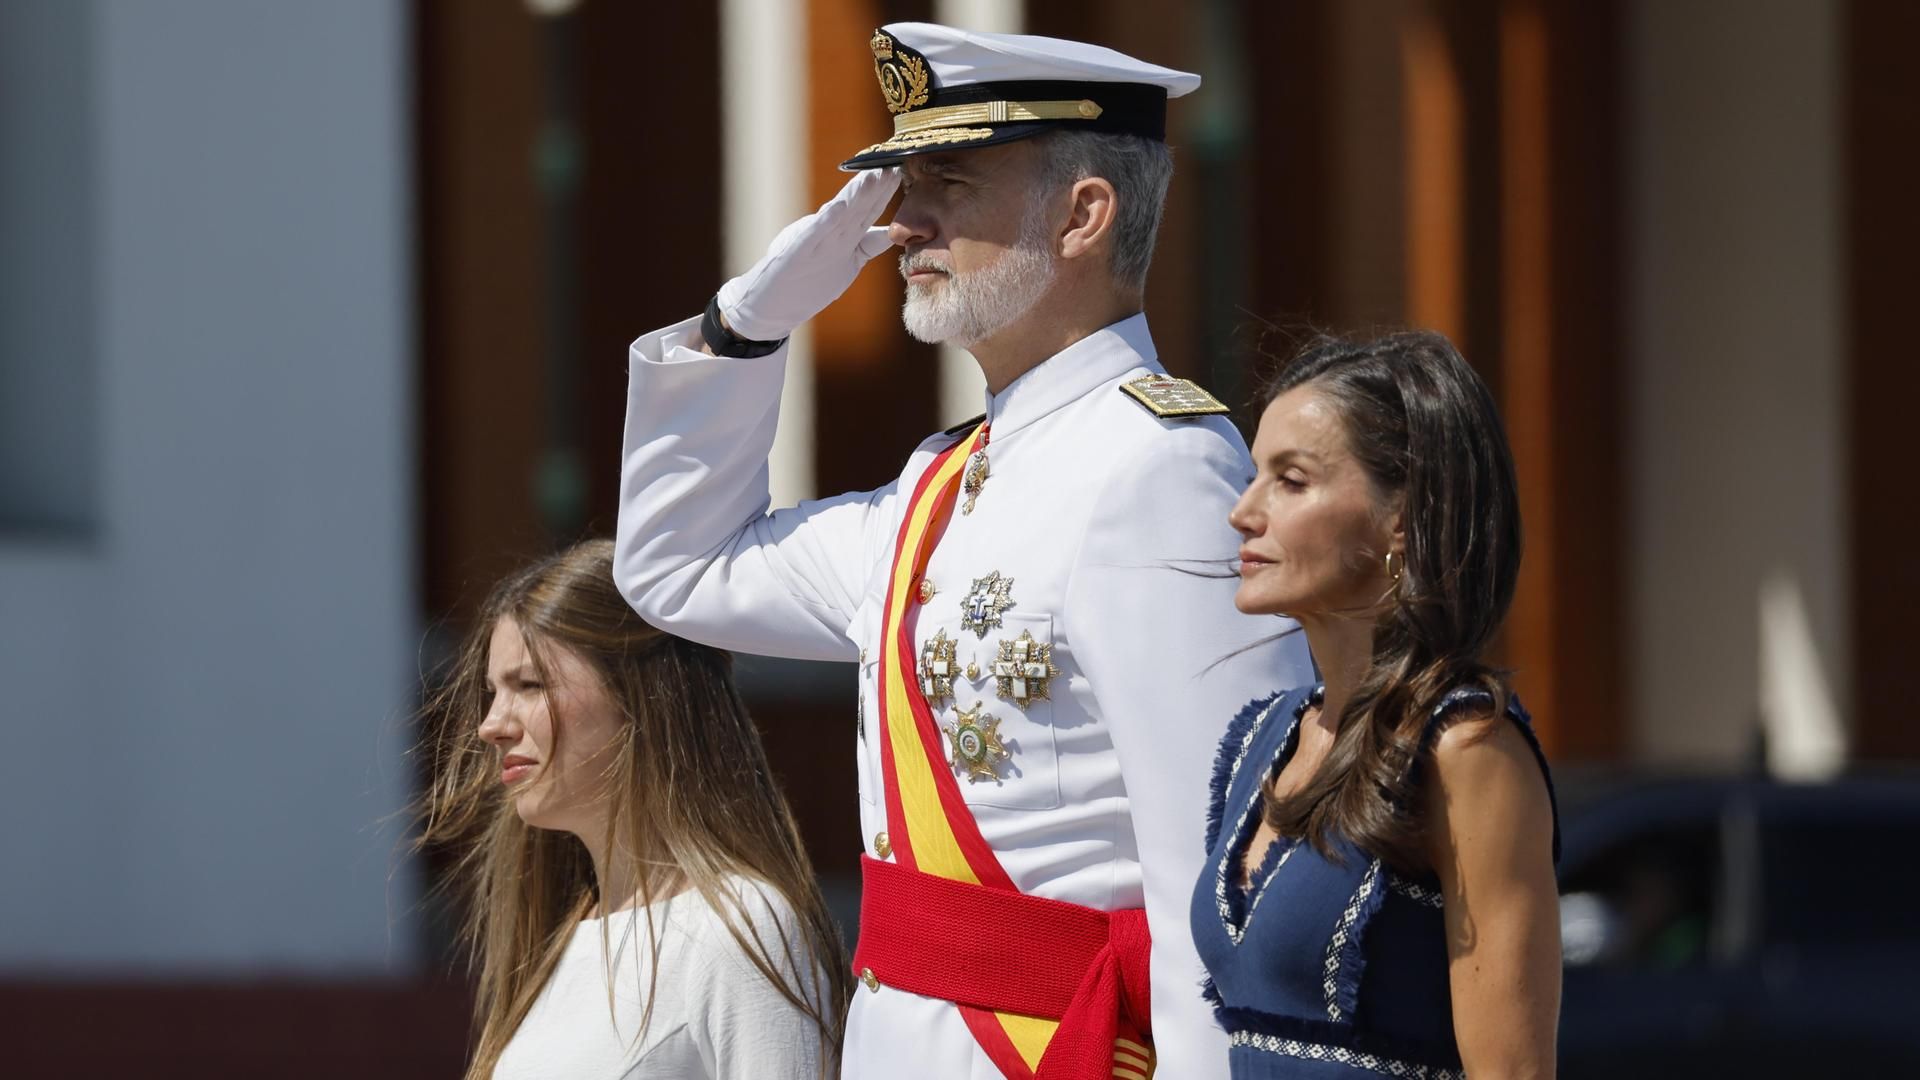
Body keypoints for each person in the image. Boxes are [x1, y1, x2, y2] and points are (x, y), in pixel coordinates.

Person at [615, 21, 1313, 1080]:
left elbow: (1221, 876)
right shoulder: (939, 484)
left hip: (1053, 1052)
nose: (908, 219)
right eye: (908, 182)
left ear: (1084, 215)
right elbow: (676, 569)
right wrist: (744, 327)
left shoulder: (1157, 472)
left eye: (951, 181)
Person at [1191, 332, 1561, 1078]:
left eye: (1291, 481)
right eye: (1256, 475)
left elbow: (1513, 1072)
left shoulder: (1465, 747)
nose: (1243, 511)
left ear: (1403, 517)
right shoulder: (1260, 739)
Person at [414, 539, 848, 1079]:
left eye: (528, 685)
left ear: (638, 694)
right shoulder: (562, 933)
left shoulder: (745, 929)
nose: (491, 724)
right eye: (493, 692)